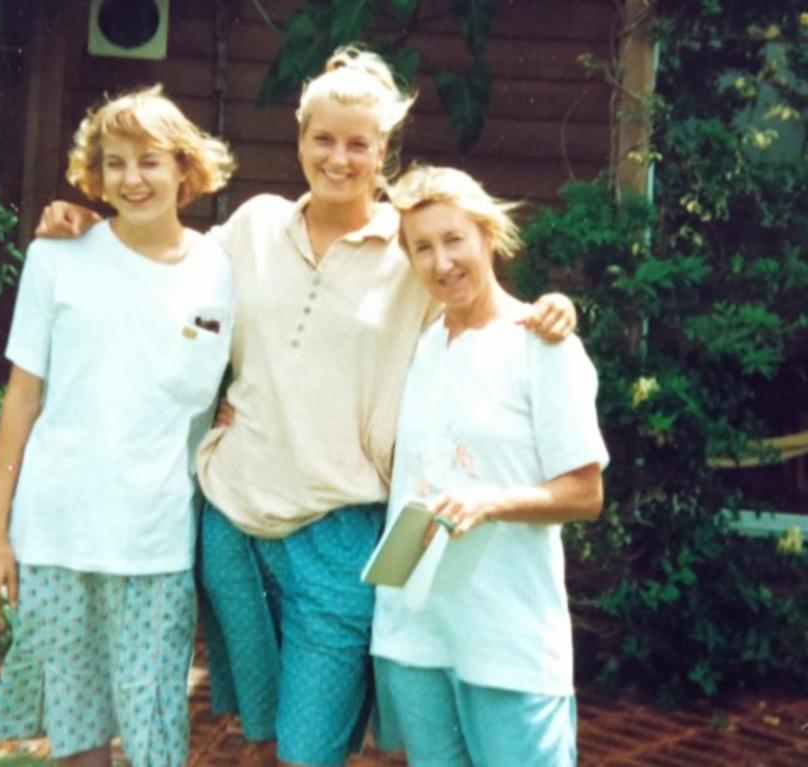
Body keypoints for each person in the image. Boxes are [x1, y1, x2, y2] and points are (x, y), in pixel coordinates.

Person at [36, 47, 576, 767]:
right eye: (324, 138)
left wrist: (549, 307)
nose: (340, 157)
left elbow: (472, 285)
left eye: (359, 143)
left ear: (382, 151)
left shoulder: (407, 249)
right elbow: (165, 263)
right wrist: (88, 223)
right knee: (258, 735)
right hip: (232, 524)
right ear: (300, 141)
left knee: (307, 748)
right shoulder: (253, 228)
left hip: (341, 533)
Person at [0, 85, 235, 767]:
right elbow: (21, 399)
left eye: (149, 161)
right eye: (114, 163)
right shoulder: (56, 259)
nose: (132, 178)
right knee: (75, 730)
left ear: (184, 169)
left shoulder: (221, 265)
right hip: (57, 530)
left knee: (153, 729)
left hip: (155, 534)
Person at [370, 165, 609, 767]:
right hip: (416, 635)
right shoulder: (423, 345)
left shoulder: (542, 345)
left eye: (454, 240)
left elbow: (586, 493)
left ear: (487, 236)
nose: (441, 262)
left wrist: (489, 501)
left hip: (510, 641)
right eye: (421, 248)